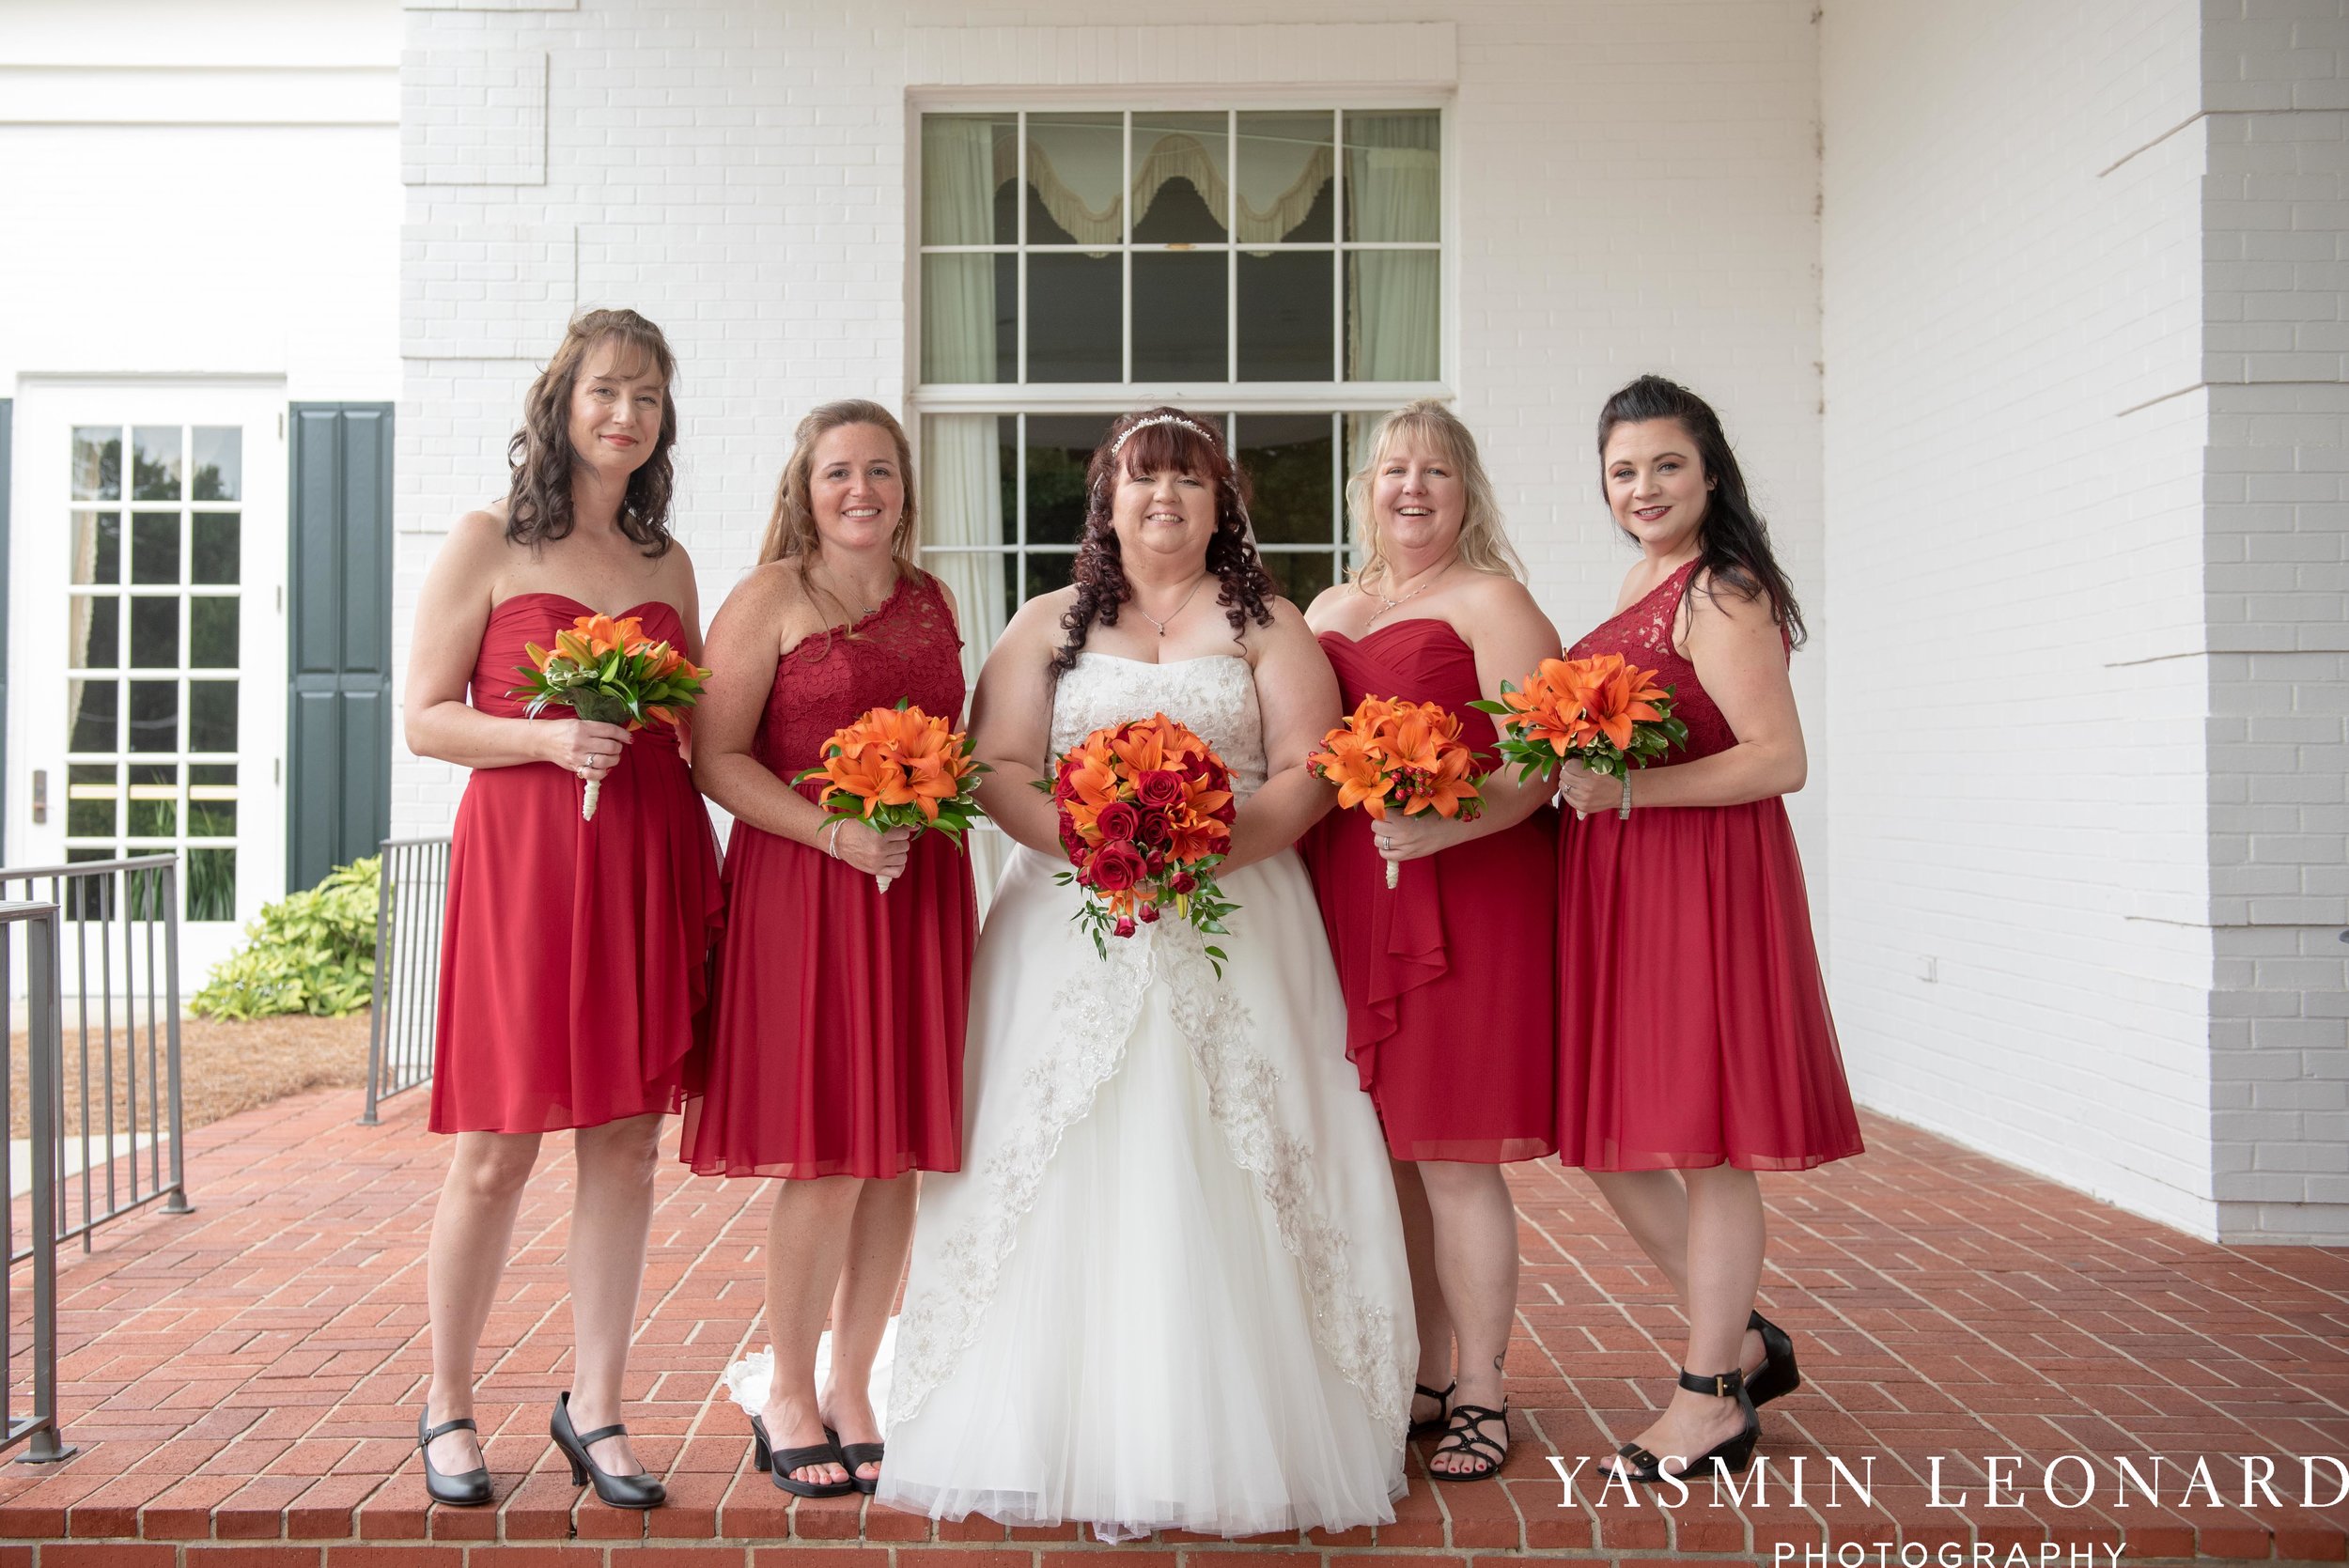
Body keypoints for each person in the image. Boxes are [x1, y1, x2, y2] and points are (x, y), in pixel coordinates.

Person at [877, 407, 1415, 1541]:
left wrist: (1203, 847)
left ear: (1223, 504)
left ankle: (1252, 1415)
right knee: (1059, 1147)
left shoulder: (1268, 624)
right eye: (1141, 480)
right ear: (1106, 501)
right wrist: (1096, 847)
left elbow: (1311, 773)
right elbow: (1001, 769)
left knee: (1238, 1147)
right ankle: (1033, 1414)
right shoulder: (1045, 625)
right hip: (1070, 916)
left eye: (1188, 481)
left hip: (1240, 915)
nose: (1162, 498)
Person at [403, 308, 723, 1511]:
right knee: (496, 1149)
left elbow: (697, 732)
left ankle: (596, 1403)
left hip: (642, 850)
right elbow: (426, 717)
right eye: (605, 391)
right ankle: (446, 1396)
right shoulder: (486, 541)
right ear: (563, 401)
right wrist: (542, 737)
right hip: (527, 862)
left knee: (628, 1142)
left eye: (645, 397)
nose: (624, 414)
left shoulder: (667, 566)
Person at [1554, 374, 1862, 1483]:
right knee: (1617, 1139)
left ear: (1711, 472)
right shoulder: (1648, 577)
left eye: (1665, 465)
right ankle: (1732, 1335)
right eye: (1623, 470)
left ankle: (1710, 1397)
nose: (1642, 487)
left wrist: (1631, 795)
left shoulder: (1721, 588)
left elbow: (1777, 758)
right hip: (1629, 880)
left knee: (1707, 1139)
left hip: (1700, 877)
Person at [679, 400, 976, 1497]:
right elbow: (715, 756)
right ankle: (790, 1389)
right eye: (839, 472)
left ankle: (858, 1383)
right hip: (807, 886)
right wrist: (833, 829)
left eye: (882, 471)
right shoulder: (768, 598)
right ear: (803, 489)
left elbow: (956, 741)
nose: (862, 490)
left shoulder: (934, 599)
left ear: (906, 487)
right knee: (826, 1152)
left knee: (894, 1146)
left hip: (919, 886)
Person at [1301, 399, 1560, 1482]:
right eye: (1393, 469)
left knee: (1452, 1156)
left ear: (1467, 492)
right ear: (1365, 488)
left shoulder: (1494, 600)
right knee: (1385, 1159)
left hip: (1463, 891)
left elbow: (1540, 765)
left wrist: (1447, 818)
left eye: (1436, 473)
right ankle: (1419, 1364)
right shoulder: (1328, 601)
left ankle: (1484, 1389)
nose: (1412, 487)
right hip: (1344, 892)